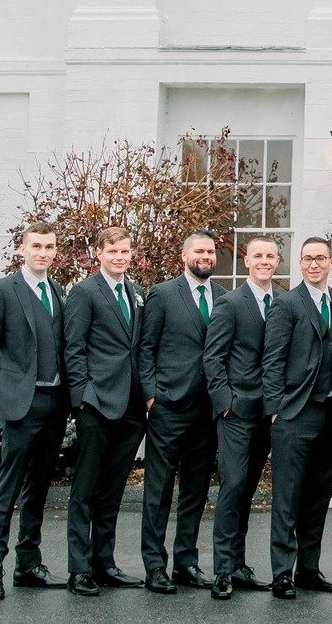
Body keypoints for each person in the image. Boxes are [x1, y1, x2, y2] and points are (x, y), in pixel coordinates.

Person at [0, 219, 69, 599]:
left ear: (55, 252)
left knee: (39, 486)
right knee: (8, 487)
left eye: (49, 247)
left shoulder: (59, 291)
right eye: (36, 246)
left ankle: (28, 564)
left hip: (54, 402)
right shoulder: (2, 291)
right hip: (19, 403)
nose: (43, 253)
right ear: (22, 249)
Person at [62, 223, 147, 596]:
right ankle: (79, 568)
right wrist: (82, 397)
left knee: (112, 489)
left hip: (131, 406)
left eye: (125, 251)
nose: (119, 258)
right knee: (86, 488)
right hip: (96, 404)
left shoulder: (136, 292)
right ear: (99, 254)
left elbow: (137, 347)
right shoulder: (84, 292)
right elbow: (74, 348)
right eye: (112, 252)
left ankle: (104, 562)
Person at [136, 230, 222, 592]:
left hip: (207, 410)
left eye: (210, 251)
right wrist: (152, 396)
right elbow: (146, 348)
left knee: (196, 490)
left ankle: (186, 562)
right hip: (169, 406)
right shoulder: (163, 294)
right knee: (158, 490)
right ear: (184, 255)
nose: (205, 255)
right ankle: (155, 565)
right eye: (199, 250)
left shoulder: (224, 298)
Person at [262, 236, 332, 600]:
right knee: (288, 496)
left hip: (331, 415)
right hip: (295, 412)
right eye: (308, 259)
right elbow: (272, 359)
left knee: (318, 495)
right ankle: (282, 572)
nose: (314, 264)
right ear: (300, 263)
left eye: (321, 258)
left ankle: (309, 569)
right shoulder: (286, 304)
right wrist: (276, 408)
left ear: (331, 262)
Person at [204, 235, 281, 600]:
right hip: (236, 412)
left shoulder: (282, 301)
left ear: (277, 261)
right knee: (232, 486)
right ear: (246, 262)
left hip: (269, 413)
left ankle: (239, 563)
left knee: (249, 489)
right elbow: (213, 357)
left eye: (270, 255)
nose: (264, 261)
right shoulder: (231, 303)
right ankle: (222, 570)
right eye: (258, 256)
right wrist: (225, 402)